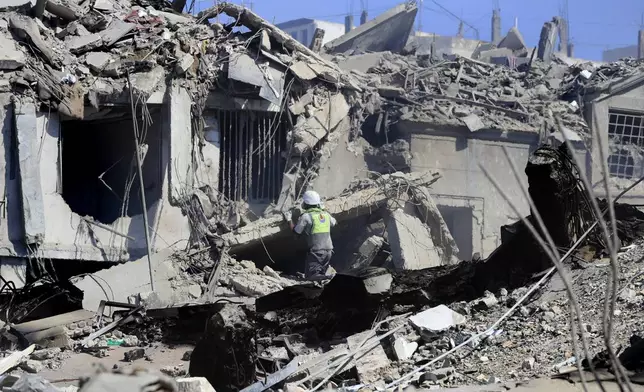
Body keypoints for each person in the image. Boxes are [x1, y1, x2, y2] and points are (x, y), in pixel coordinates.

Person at [283, 190, 337, 281]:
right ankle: (327, 278)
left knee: (312, 277)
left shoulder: (306, 216)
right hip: (329, 252)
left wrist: (289, 220)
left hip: (317, 253)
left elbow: (296, 234)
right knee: (319, 273)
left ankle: (331, 277)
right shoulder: (326, 215)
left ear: (306, 203)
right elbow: (334, 223)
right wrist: (323, 210)